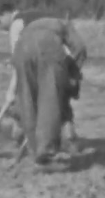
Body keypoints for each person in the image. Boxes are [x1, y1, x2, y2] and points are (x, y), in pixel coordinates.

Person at [0, 7, 82, 147]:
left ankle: (22, 134)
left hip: (45, 60)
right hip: (63, 61)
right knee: (58, 97)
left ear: (5, 14)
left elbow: (20, 64)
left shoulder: (17, 24)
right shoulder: (43, 16)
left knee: (26, 97)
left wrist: (11, 92)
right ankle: (68, 134)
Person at [12, 17, 88, 165]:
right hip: (47, 48)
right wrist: (73, 70)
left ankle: (33, 148)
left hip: (21, 49)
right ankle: (44, 151)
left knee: (28, 99)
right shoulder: (62, 24)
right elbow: (80, 48)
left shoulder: (29, 25)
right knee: (49, 99)